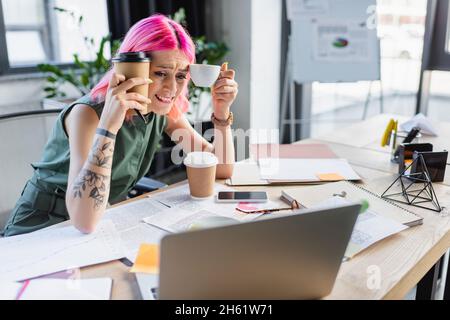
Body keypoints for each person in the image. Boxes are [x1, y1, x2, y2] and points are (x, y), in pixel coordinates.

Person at [3, 14, 238, 236]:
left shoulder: (162, 111)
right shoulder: (87, 114)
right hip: (41, 228)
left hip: (99, 225)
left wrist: (221, 112)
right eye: (160, 73)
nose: (172, 89)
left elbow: (222, 169)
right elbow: (83, 221)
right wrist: (108, 127)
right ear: (131, 66)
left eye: (179, 76)